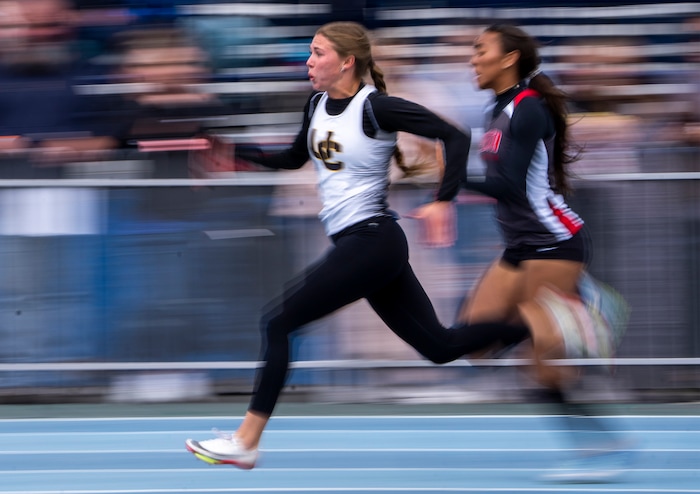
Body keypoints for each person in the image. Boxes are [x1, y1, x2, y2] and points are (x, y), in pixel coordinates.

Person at [185, 21, 532, 469]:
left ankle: (247, 440)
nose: (308, 61)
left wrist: (443, 202)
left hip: (372, 241)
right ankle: (539, 326)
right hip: (368, 245)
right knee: (440, 348)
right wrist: (236, 154)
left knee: (277, 323)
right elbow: (294, 157)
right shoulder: (316, 105)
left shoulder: (377, 108)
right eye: (308, 52)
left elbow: (455, 136)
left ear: (347, 61)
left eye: (318, 53)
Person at [460, 24, 632, 481]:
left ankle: (599, 444)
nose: (472, 58)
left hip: (554, 243)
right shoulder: (497, 107)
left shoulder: (529, 108)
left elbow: (507, 185)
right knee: (476, 343)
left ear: (509, 57)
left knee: (542, 368)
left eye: (480, 50)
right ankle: (576, 308)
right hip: (520, 246)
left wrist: (445, 177)